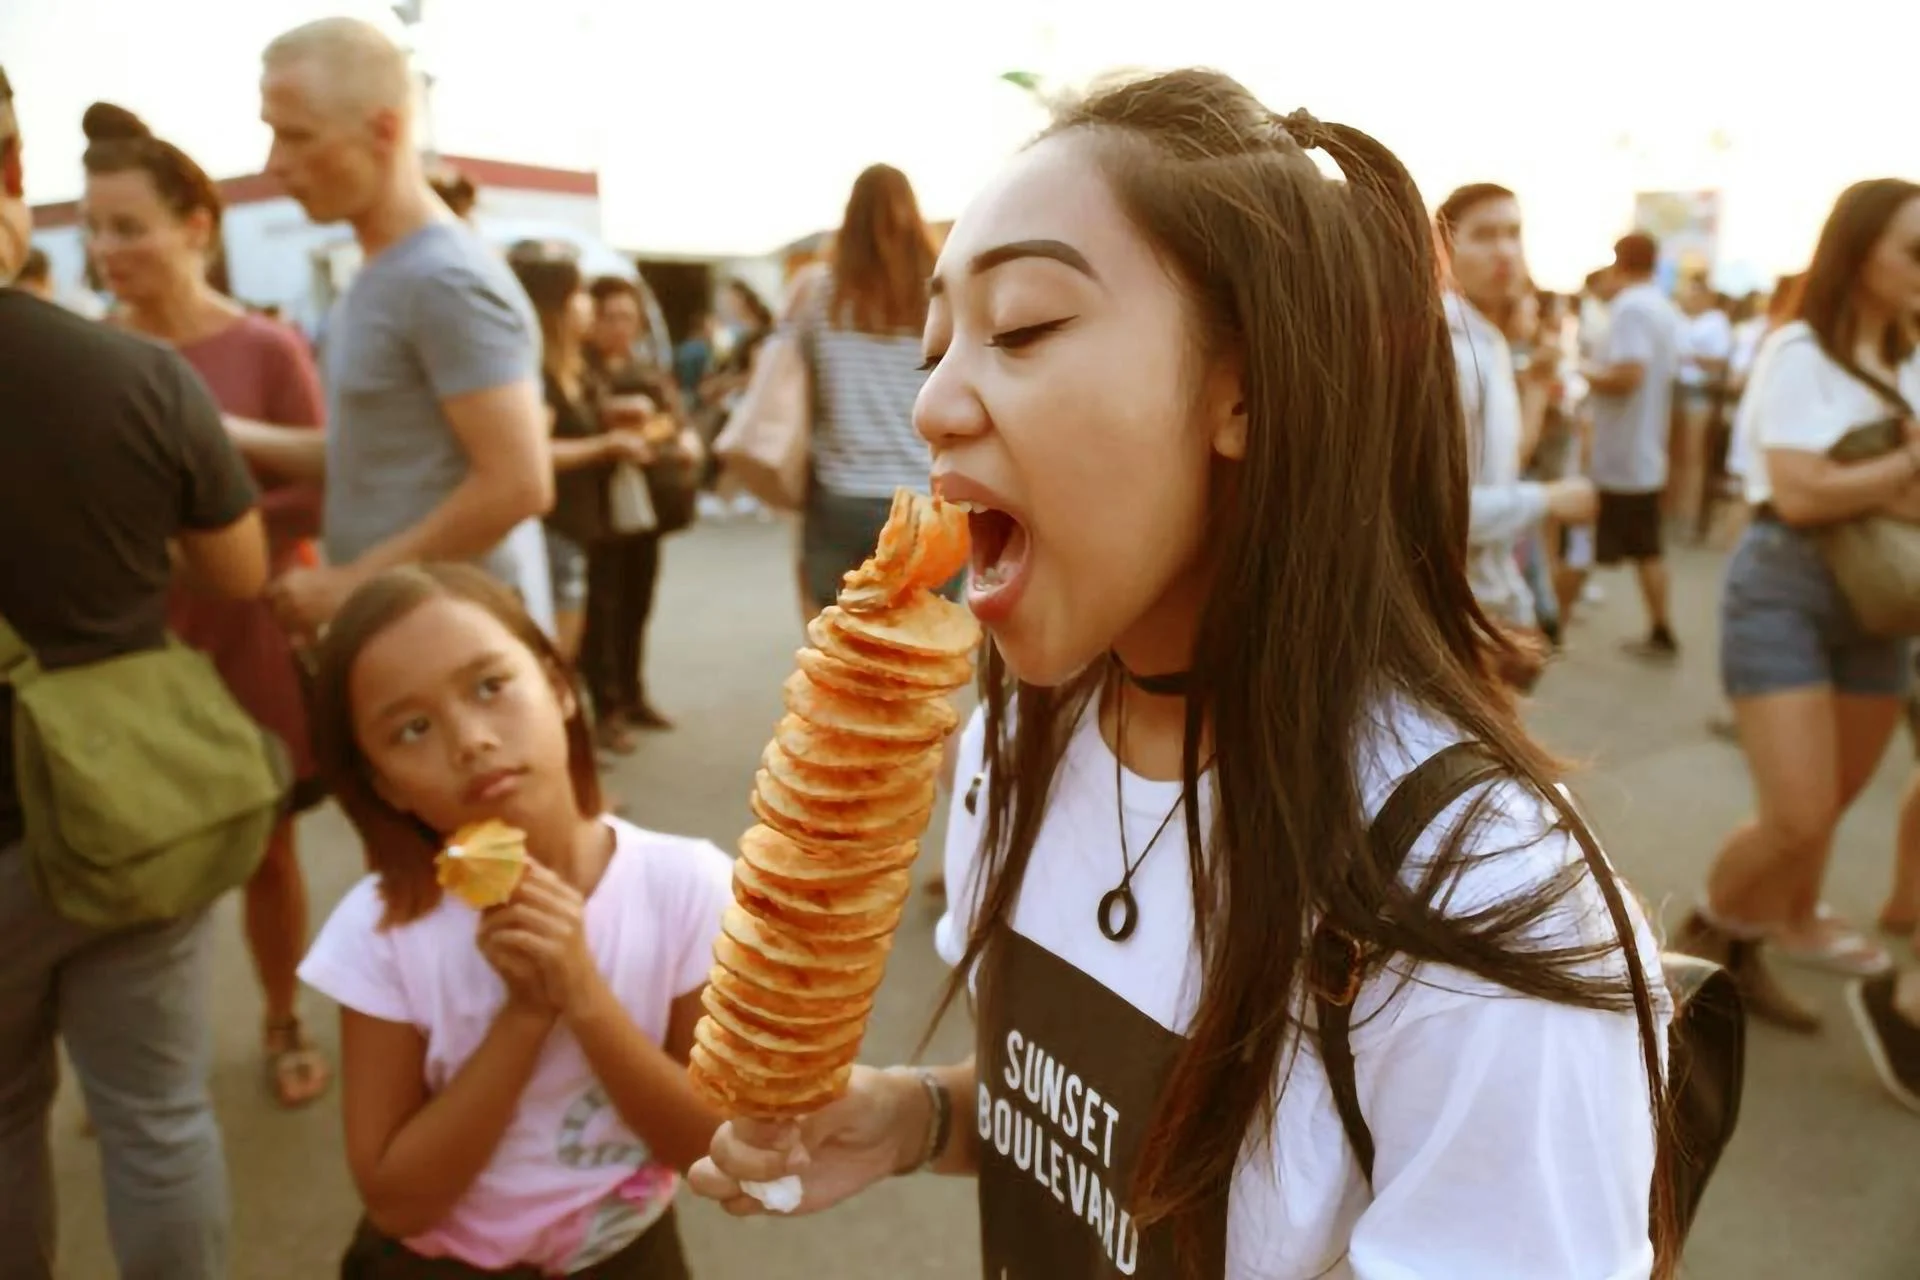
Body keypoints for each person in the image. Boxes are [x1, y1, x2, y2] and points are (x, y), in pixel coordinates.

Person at [689, 70, 1672, 1277]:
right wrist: (924, 1116)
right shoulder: (1014, 736)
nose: (934, 403)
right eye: (935, 344)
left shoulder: (1471, 897)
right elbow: (1111, 1101)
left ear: (1249, 388)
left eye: (1024, 327)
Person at [0, 65, 268, 1275]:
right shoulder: (135, 375)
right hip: (129, 807)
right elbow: (236, 571)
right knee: (157, 1114)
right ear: (14, 174)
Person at [298, 564, 730, 1277]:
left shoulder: (685, 888)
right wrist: (527, 1013)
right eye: (411, 729)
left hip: (624, 1249)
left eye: (490, 687)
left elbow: (714, 1149)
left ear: (560, 685)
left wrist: (582, 995)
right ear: (383, 785)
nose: (469, 740)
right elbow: (399, 1204)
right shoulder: (380, 933)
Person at [79, 99, 334, 1109]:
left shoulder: (266, 349)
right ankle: (140, 1063)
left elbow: (320, 493)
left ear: (197, 226)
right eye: (94, 227)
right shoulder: (85, 353)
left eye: (127, 226)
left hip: (253, 630)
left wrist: (192, 540)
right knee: (140, 859)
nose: (105, 249)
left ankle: (282, 1014)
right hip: (132, 649)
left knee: (267, 846)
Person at [1676, 179, 1920, 1028]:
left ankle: (1754, 938)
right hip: (1786, 585)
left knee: (1829, 808)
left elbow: (1825, 485)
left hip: (1886, 602)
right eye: (1913, 250)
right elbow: (1798, 494)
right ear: (1859, 254)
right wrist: (1896, 470)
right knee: (1799, 813)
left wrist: (1850, 484)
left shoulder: (1914, 355)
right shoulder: (1799, 352)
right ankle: (1705, 936)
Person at [227, 17, 554, 639]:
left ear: (385, 129)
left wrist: (351, 583)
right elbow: (376, 452)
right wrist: (224, 431)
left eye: (297, 136)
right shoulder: (378, 273)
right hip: (414, 632)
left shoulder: (443, 278)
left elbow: (518, 483)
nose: (276, 163)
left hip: (458, 645)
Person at [1434, 183, 1596, 673]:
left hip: (1488, 604)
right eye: (1484, 235)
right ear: (1444, 250)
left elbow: (1495, 469)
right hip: (1457, 616)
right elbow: (1438, 512)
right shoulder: (1448, 352)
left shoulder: (1488, 343)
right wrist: (1548, 500)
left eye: (1514, 233)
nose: (1504, 249)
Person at [791, 164, 945, 621]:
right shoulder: (938, 293)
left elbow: (791, 378)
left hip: (841, 490)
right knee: (917, 646)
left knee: (839, 641)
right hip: (923, 493)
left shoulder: (819, 291)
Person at [506, 247, 655, 667]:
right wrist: (605, 445)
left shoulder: (570, 369)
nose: (589, 306)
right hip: (554, 528)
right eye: (580, 296)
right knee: (554, 654)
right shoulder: (537, 373)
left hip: (576, 526)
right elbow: (531, 453)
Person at [1582, 232, 1683, 660]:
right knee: (1644, 546)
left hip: (1622, 453)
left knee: (1578, 542)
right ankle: (1661, 629)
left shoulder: (1631, 308)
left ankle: (1547, 631)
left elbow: (1627, 375)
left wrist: (1582, 371)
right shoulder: (1661, 305)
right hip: (1640, 449)